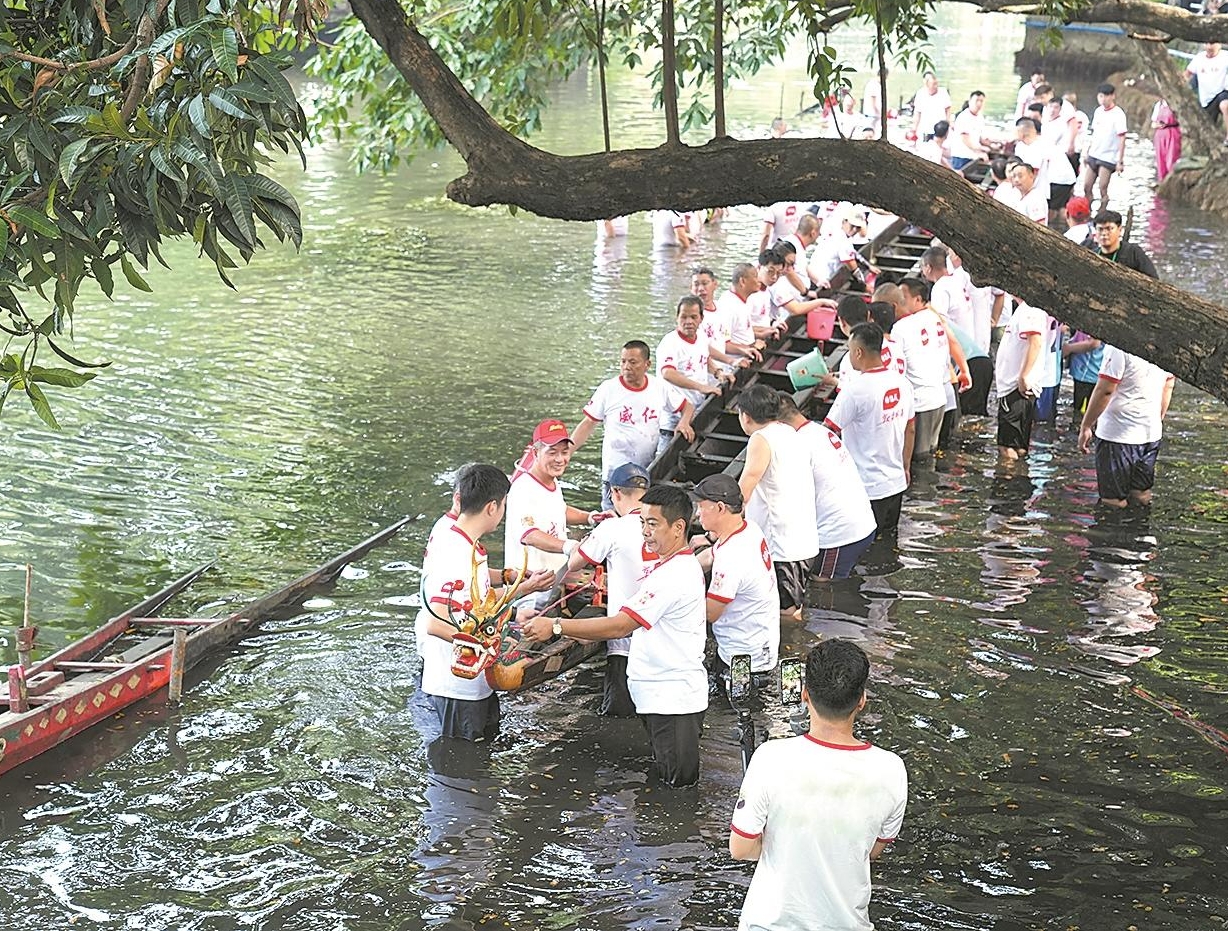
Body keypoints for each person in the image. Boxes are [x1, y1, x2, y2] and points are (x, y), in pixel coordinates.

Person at [522, 484, 708, 786]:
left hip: (674, 701)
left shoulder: (674, 574)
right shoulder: (668, 566)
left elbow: (621, 625)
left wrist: (557, 625)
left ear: (678, 528)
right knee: (665, 782)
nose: (644, 531)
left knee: (678, 789)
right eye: (642, 522)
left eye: (652, 523)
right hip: (661, 696)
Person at [729, 638, 907, 931]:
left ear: (804, 694)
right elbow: (871, 850)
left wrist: (786, 844)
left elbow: (740, 848)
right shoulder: (892, 769)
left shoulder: (771, 758)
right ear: (861, 700)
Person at [418, 464, 553, 741]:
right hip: (457, 684)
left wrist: (509, 578)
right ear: (492, 507)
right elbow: (435, 622)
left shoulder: (454, 532)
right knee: (460, 766)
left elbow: (473, 585)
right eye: (503, 506)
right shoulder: (456, 551)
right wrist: (487, 647)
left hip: (475, 678)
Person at [567, 462, 655, 716]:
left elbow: (576, 563)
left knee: (618, 715)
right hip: (659, 637)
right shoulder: (664, 525)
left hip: (624, 639)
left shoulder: (611, 528)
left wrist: (581, 542)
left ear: (615, 494)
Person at [571, 340, 695, 509]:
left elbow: (687, 405)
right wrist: (568, 450)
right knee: (610, 514)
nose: (626, 367)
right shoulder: (609, 389)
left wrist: (684, 422)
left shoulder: (658, 387)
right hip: (615, 471)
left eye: (633, 362)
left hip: (645, 470)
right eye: (623, 361)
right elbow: (588, 423)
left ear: (647, 364)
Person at [735, 385, 820, 619]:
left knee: (786, 613)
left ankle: (788, 653)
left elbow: (746, 486)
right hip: (801, 536)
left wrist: (721, 529)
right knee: (792, 605)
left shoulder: (760, 439)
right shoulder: (790, 432)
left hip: (781, 544)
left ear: (746, 416)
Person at [825, 323, 915, 536]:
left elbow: (828, 431)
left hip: (866, 486)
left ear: (858, 352)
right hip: (895, 483)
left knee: (863, 545)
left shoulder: (854, 390)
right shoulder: (902, 383)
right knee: (888, 541)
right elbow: (910, 428)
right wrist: (905, 466)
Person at [779, 394, 878, 579]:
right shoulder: (821, 431)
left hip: (838, 536)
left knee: (823, 588)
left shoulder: (797, 444)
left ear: (778, 424)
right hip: (862, 523)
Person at [691, 474, 780, 678]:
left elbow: (709, 613)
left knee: (737, 706)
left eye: (701, 506)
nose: (697, 514)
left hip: (744, 658)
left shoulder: (732, 558)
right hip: (757, 640)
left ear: (720, 508)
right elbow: (710, 555)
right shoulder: (747, 528)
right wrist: (678, 571)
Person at [1078, 347, 1175, 508]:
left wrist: (1086, 425)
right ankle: (1139, 531)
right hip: (1150, 433)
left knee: (1113, 500)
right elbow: (1169, 384)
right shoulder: (1165, 342)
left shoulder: (1118, 346)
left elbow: (1106, 390)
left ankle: (1112, 532)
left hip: (1117, 435)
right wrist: (1157, 418)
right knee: (1141, 493)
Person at [505, 419, 597, 578]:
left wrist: (590, 517)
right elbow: (529, 535)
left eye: (565, 452)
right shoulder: (523, 489)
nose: (560, 459)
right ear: (535, 453)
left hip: (556, 577)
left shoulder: (552, 480)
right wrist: (569, 546)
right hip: (531, 587)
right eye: (552, 452)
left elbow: (559, 510)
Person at [892, 278, 969, 460]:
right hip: (939, 397)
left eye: (904, 298)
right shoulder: (933, 317)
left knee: (918, 459)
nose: (900, 303)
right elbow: (951, 344)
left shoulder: (902, 327)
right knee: (930, 455)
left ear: (918, 299)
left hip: (921, 402)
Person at [657, 296, 730, 441]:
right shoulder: (670, 343)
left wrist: (717, 372)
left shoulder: (701, 337)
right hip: (673, 417)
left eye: (693, 317)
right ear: (677, 318)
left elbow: (704, 357)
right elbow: (668, 373)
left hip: (697, 408)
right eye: (683, 317)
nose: (688, 322)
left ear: (701, 318)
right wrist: (701, 387)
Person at [993, 300, 1047, 461]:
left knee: (1007, 446)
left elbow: (1035, 342)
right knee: (1019, 446)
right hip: (1015, 387)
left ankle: (1010, 483)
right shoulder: (1024, 309)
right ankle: (1019, 481)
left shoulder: (1030, 309)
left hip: (1016, 388)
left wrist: (1024, 376)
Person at [1014, 115, 1077, 227]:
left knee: (1050, 210)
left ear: (1022, 133)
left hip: (1059, 179)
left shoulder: (1036, 147)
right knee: (1058, 208)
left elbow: (1034, 173)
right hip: (1065, 177)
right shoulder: (1039, 141)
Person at [1080, 84, 1127, 211]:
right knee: (1087, 186)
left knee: (1102, 187)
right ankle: (1088, 211)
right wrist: (1087, 151)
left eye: (1106, 96)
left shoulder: (1118, 114)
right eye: (1101, 96)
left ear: (1112, 96)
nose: (1103, 99)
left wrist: (1120, 161)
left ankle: (1102, 211)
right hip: (1094, 153)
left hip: (1108, 156)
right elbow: (1094, 133)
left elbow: (1122, 138)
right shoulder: (1098, 111)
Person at [1184, 43, 1228, 146]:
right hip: (1206, 98)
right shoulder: (1199, 58)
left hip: (1222, 92)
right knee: (1207, 123)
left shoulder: (1225, 57)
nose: (1209, 47)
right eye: (1207, 44)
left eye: (1213, 44)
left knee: (1225, 105)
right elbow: (1187, 74)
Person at [1092, 210, 1158, 277]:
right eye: (1100, 229)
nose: (1104, 233)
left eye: (1109, 229)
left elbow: (1153, 279)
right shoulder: (1092, 255)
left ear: (1120, 230)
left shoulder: (1133, 252)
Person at [1062, 329, 1104, 427]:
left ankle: (1081, 428)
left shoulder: (1095, 323)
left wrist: (1069, 348)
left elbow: (1093, 344)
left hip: (1087, 373)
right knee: (1086, 408)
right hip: (1087, 372)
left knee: (1082, 409)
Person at [949, 91, 992, 171]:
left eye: (981, 101)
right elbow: (965, 138)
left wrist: (991, 145)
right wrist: (979, 150)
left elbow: (980, 137)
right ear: (970, 101)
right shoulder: (964, 117)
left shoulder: (980, 117)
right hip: (962, 156)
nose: (979, 103)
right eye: (977, 100)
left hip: (973, 156)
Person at [911, 71, 952, 141]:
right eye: (933, 84)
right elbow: (917, 113)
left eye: (936, 84)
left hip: (940, 128)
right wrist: (914, 129)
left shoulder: (943, 92)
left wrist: (948, 124)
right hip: (925, 128)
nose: (936, 86)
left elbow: (948, 110)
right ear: (927, 85)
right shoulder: (920, 93)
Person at [1007, 158, 1049, 224]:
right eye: (1014, 176)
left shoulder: (1036, 197)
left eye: (1020, 176)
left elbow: (1040, 225)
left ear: (1031, 176)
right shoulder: (1015, 195)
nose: (1016, 180)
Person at [1150, 98, 1181, 182]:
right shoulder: (1159, 104)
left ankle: (1171, 180)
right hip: (1160, 134)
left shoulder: (1176, 104)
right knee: (1160, 159)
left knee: (1171, 158)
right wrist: (1157, 125)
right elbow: (1153, 123)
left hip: (1173, 132)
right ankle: (1162, 181)